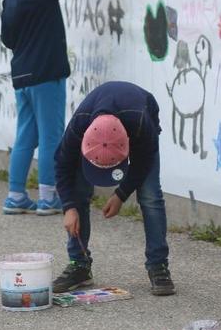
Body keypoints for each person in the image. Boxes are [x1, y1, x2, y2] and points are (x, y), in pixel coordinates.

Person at [52, 80, 175, 296]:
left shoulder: (141, 125)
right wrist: (69, 207)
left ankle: (158, 265)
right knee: (79, 192)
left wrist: (121, 194)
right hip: (98, 126)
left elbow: (143, 163)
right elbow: (62, 167)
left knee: (150, 196)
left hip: (140, 122)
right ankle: (79, 265)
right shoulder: (79, 127)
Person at [0, 0, 89, 215]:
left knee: (26, 135)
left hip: (22, 77)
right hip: (45, 76)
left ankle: (16, 195)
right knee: (51, 136)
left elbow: (8, 40)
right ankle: (49, 196)